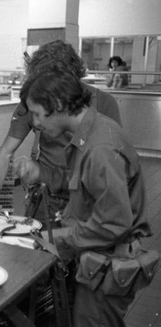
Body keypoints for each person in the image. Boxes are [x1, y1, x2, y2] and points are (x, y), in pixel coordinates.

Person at [19, 70, 157, 327]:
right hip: (97, 259)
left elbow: (112, 224)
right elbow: (84, 185)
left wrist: (56, 238)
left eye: (37, 113)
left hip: (108, 263)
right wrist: (43, 173)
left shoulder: (100, 148)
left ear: (57, 105)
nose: (35, 123)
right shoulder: (92, 132)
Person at [0, 40, 122, 223]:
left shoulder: (103, 104)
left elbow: (111, 172)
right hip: (45, 201)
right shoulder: (33, 103)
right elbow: (5, 152)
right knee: (38, 249)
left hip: (88, 204)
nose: (38, 120)